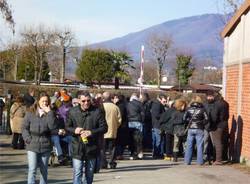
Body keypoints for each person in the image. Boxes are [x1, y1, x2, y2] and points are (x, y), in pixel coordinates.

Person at [65, 91, 107, 184]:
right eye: (83, 101)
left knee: (90, 173)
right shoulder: (72, 111)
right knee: (77, 172)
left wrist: (91, 132)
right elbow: (67, 127)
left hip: (92, 147)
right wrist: (74, 130)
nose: (86, 103)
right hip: (77, 147)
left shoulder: (97, 111)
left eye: (88, 100)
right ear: (79, 101)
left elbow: (104, 128)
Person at [22, 91, 58, 184]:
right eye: (43, 101)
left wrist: (50, 113)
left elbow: (53, 128)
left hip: (45, 144)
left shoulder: (51, 113)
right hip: (32, 144)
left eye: (46, 101)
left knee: (44, 170)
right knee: (32, 169)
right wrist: (27, 139)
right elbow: (24, 127)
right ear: (38, 101)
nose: (45, 103)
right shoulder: (30, 112)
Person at [184, 96, 208, 165]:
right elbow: (207, 119)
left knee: (189, 145)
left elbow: (184, 118)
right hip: (199, 128)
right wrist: (201, 123)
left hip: (191, 128)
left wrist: (190, 122)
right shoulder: (202, 109)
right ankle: (200, 162)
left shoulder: (188, 109)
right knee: (199, 145)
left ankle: (187, 161)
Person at [102, 92, 121, 169]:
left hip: (102, 131)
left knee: (102, 148)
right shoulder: (115, 107)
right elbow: (119, 120)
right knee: (112, 148)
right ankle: (112, 162)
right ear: (111, 98)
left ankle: (103, 163)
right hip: (112, 130)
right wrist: (115, 126)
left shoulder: (100, 106)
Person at [204, 91, 224, 165]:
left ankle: (216, 158)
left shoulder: (217, 105)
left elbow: (214, 116)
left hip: (214, 125)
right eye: (208, 96)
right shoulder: (224, 103)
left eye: (211, 96)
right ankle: (210, 157)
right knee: (209, 142)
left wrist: (211, 122)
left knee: (215, 143)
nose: (210, 97)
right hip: (211, 125)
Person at [127, 93, 145, 160]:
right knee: (139, 139)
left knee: (131, 138)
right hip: (138, 122)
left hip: (130, 122)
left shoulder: (128, 104)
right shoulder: (140, 104)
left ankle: (132, 153)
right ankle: (139, 152)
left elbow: (127, 113)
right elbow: (143, 113)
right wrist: (142, 121)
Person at [150, 94, 167, 159]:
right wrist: (164, 115)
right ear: (160, 99)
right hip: (158, 125)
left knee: (157, 140)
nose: (165, 103)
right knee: (159, 140)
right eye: (164, 101)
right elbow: (157, 115)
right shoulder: (157, 105)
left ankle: (157, 154)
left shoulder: (156, 104)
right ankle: (157, 154)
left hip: (156, 125)